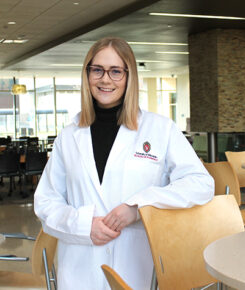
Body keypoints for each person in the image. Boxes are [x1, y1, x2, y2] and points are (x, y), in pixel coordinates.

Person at [34, 37, 214, 290]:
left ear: (129, 77)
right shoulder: (69, 135)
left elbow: (201, 183)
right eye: (97, 70)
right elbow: (46, 202)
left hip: (138, 264)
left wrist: (139, 205)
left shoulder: (160, 129)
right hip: (79, 267)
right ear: (87, 75)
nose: (105, 79)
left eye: (116, 71)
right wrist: (84, 226)